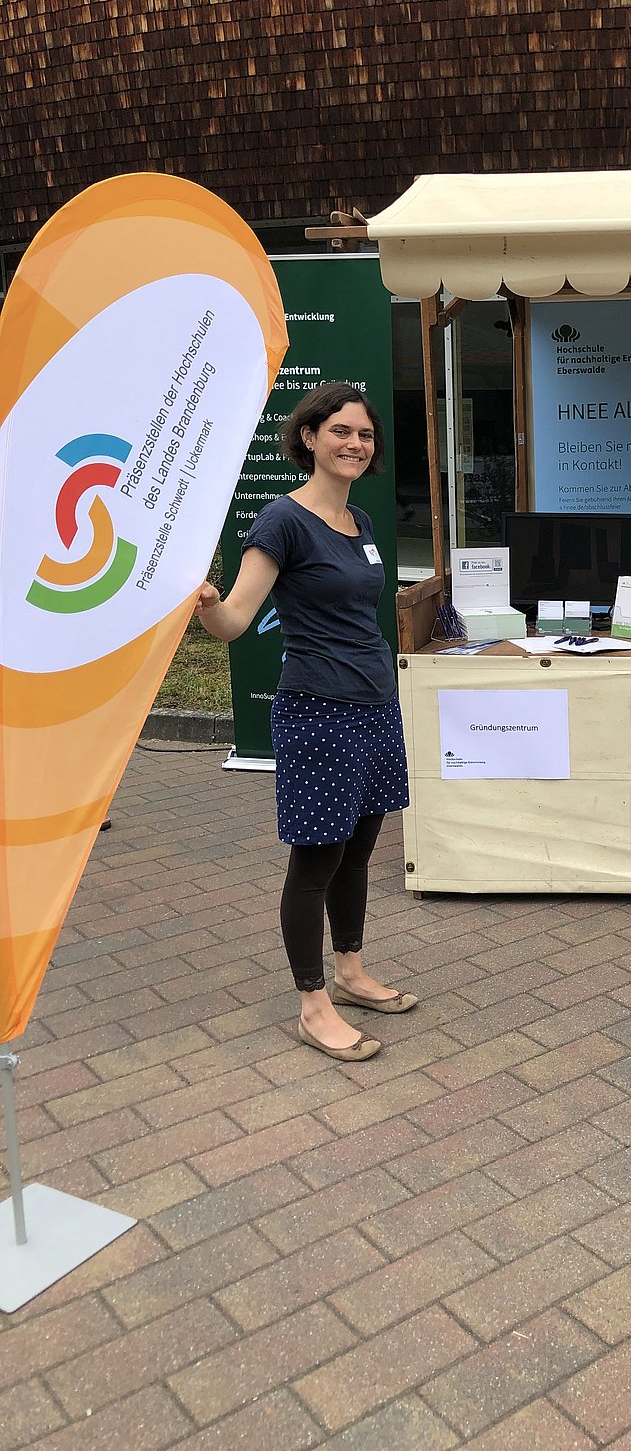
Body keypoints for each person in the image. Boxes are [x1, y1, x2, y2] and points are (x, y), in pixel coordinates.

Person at [196, 382, 415, 1061]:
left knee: (358, 852)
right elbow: (234, 621)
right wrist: (204, 601)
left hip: (376, 705)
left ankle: (350, 972)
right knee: (316, 862)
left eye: (365, 435)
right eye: (341, 431)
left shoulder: (362, 523)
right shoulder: (281, 522)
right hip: (318, 711)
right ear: (310, 438)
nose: (355, 444)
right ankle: (313, 1004)